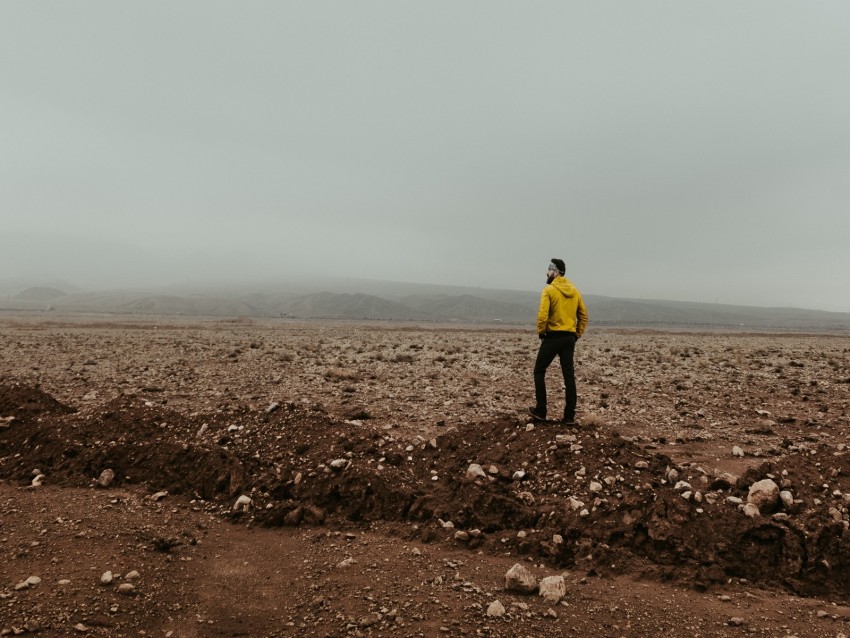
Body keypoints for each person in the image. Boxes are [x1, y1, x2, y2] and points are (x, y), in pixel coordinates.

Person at [528, 258, 588, 425]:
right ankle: (569, 416)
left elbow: (543, 315)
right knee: (568, 376)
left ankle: (541, 410)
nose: (546, 273)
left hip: (553, 337)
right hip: (569, 338)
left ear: (555, 272)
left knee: (539, 371)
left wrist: (541, 331)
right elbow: (583, 316)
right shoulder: (575, 291)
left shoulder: (549, 290)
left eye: (548, 270)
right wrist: (576, 334)